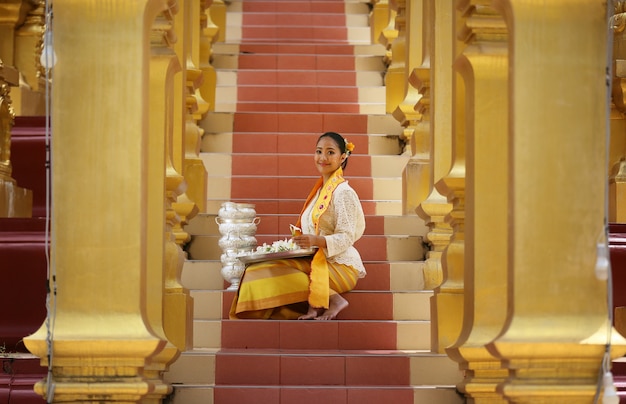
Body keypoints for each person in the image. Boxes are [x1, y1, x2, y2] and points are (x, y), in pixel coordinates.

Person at [229, 131, 366, 320]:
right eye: (319, 151)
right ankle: (322, 299)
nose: (323, 158)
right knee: (256, 269)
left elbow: (346, 237)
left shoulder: (343, 193)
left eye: (330, 152)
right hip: (315, 259)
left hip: (339, 265)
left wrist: (316, 240)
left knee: (274, 271)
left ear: (343, 157)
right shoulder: (320, 192)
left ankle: (333, 299)